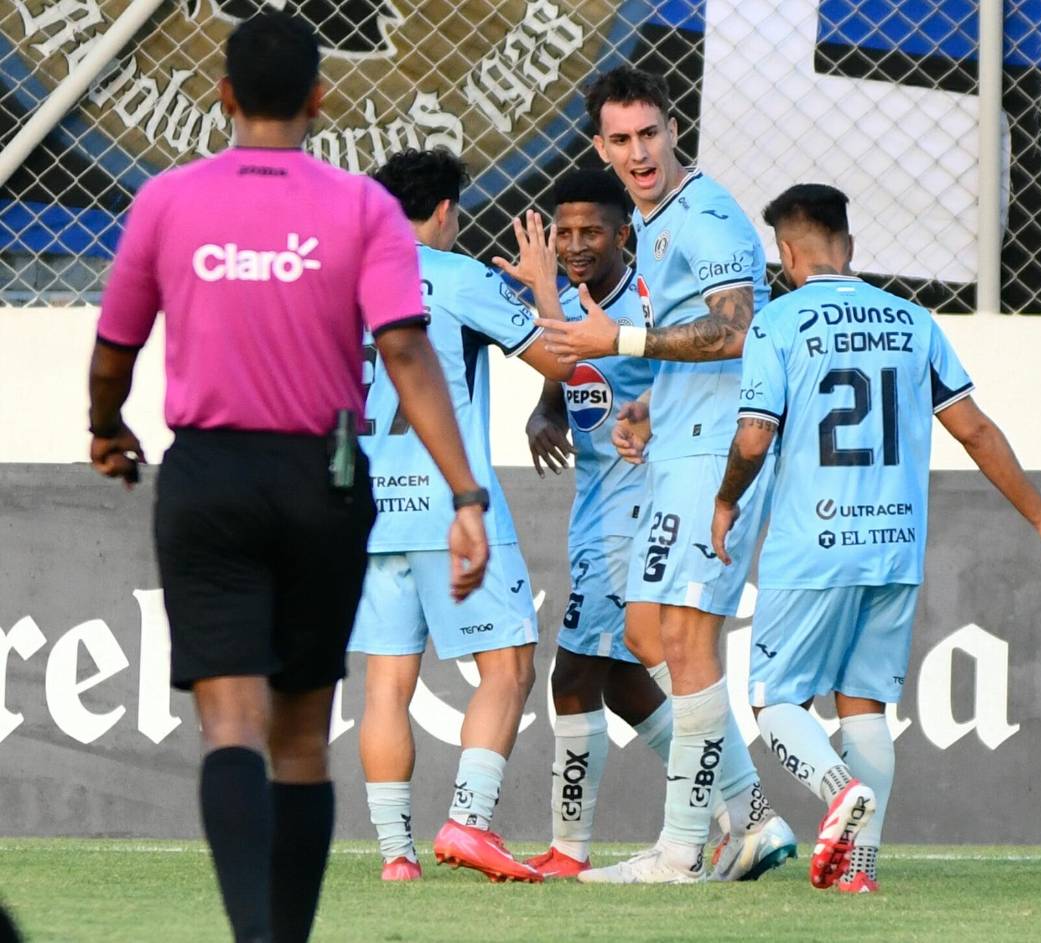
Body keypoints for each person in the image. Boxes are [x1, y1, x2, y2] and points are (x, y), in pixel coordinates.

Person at [87, 15, 488, 942]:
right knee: (301, 736)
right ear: (319, 97)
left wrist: (106, 429)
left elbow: (115, 348)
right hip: (324, 477)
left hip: (211, 477)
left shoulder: (167, 200)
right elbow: (406, 351)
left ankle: (252, 936)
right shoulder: (363, 208)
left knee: (230, 726)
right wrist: (465, 493)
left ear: (224, 96)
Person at [710, 183, 1041, 893]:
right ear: (849, 248)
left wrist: (726, 499)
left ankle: (836, 791)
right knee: (864, 704)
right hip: (894, 544)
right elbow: (975, 429)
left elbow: (753, 433)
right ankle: (860, 868)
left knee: (775, 701)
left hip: (812, 546)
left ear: (787, 253)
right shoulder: (912, 320)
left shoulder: (778, 321)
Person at [535, 66, 795, 884]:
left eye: (650, 133)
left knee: (679, 635)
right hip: (679, 438)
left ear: (673, 128)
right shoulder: (652, 221)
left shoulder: (708, 215)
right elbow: (688, 337)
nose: (639, 152)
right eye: (621, 139)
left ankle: (682, 850)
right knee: (646, 633)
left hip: (719, 446)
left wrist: (625, 347)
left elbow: (737, 331)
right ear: (600, 145)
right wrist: (651, 403)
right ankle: (748, 819)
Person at [348, 149, 572, 885]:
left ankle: (395, 857)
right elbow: (562, 363)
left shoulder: (347, 283)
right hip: (452, 504)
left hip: (369, 511)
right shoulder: (460, 277)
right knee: (507, 664)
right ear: (446, 211)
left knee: (386, 681)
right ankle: (469, 823)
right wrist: (543, 287)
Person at [520, 169, 676, 878]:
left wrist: (653, 431)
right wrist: (549, 405)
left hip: (631, 516)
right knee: (621, 681)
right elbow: (571, 361)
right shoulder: (581, 305)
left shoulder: (647, 306)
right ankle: (744, 806)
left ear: (623, 234)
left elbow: (693, 383)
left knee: (574, 676)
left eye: (591, 231)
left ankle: (568, 848)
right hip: (598, 511)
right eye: (566, 232)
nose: (576, 244)